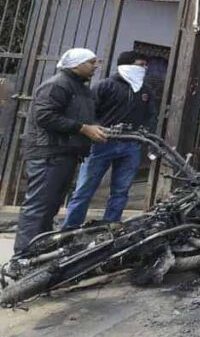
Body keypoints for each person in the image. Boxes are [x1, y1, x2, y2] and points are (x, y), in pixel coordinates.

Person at [14, 48, 107, 254]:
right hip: (49, 153)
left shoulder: (82, 89)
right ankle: (23, 256)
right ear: (76, 64)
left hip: (67, 153)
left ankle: (40, 251)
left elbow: (82, 117)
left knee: (51, 206)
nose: (95, 66)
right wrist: (83, 128)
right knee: (38, 207)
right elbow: (45, 117)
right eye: (91, 62)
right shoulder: (56, 85)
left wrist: (95, 127)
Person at [62, 51, 156, 229]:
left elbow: (151, 115)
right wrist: (96, 129)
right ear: (126, 65)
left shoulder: (145, 90)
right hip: (102, 144)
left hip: (130, 145)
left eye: (146, 65)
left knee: (121, 190)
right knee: (85, 189)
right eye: (140, 64)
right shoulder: (106, 85)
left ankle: (109, 226)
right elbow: (89, 112)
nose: (144, 69)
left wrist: (146, 133)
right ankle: (70, 229)